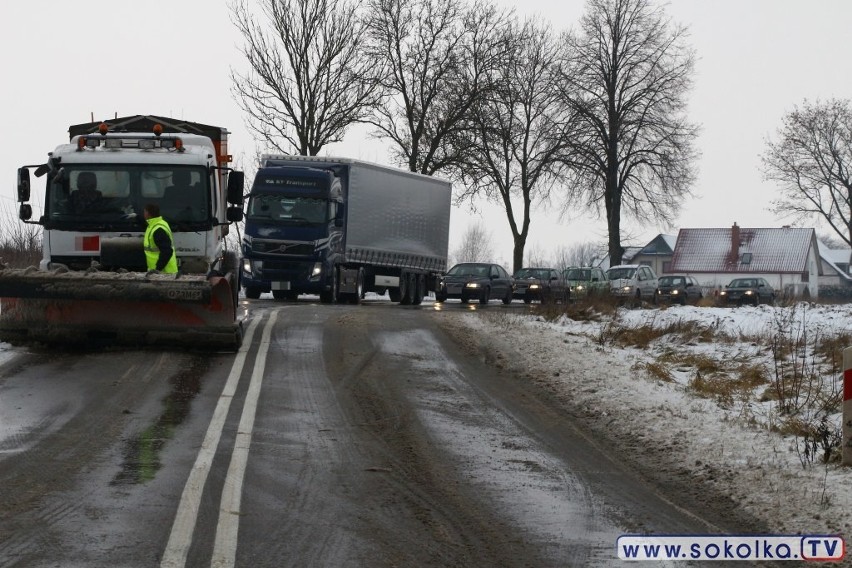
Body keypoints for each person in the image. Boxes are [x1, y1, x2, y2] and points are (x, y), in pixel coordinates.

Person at [143, 203, 178, 274]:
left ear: (148, 213)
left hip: (164, 272)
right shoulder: (160, 223)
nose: (143, 214)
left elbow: (167, 251)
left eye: (144, 212)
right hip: (162, 271)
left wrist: (158, 269)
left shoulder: (158, 230)